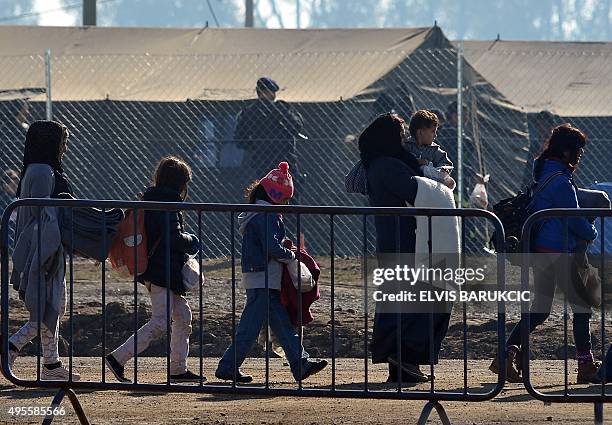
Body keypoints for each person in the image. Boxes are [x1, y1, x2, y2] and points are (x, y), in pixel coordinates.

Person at [490, 124, 601, 384]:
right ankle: (585, 364)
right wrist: (592, 232)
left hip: (544, 251)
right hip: (559, 252)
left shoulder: (544, 172)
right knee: (582, 307)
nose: (580, 155)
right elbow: (573, 220)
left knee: (540, 310)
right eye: (577, 150)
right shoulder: (561, 181)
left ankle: (505, 354)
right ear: (566, 151)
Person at [215, 162, 327, 383]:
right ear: (276, 195)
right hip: (265, 276)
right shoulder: (267, 215)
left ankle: (300, 363)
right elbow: (271, 247)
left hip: (261, 276)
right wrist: (290, 255)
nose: (286, 204)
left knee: (279, 324)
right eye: (285, 199)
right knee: (251, 328)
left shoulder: (256, 213)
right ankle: (228, 366)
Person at [360, 113, 450, 383]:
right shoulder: (387, 166)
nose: (404, 137)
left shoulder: (384, 162)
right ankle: (406, 358)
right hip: (404, 243)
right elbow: (415, 191)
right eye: (399, 132)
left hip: (400, 241)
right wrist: (438, 182)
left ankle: (402, 365)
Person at [105, 156, 203, 383]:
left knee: (183, 316)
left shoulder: (150, 200)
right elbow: (173, 238)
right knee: (160, 322)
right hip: (162, 271)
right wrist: (192, 241)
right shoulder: (168, 204)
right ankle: (118, 358)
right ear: (180, 183)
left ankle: (178, 369)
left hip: (156, 269)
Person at [7, 120, 80, 381]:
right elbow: (42, 214)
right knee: (49, 306)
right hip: (42, 249)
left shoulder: (42, 169)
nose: (65, 147)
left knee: (54, 305)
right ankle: (14, 347)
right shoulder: (40, 171)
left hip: (49, 248)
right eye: (62, 141)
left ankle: (51, 364)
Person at [234, 77, 304, 180]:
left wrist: (256, 146)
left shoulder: (248, 112)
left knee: (266, 190)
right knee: (289, 189)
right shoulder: (280, 108)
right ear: (269, 92)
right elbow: (297, 126)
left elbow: (240, 140)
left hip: (261, 160)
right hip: (284, 157)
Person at [405, 109, 455, 190]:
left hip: (430, 187)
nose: (435, 135)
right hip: (410, 183)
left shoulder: (435, 150)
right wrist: (416, 161)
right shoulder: (407, 146)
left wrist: (430, 164)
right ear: (420, 132)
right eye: (433, 131)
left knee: (450, 182)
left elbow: (446, 165)